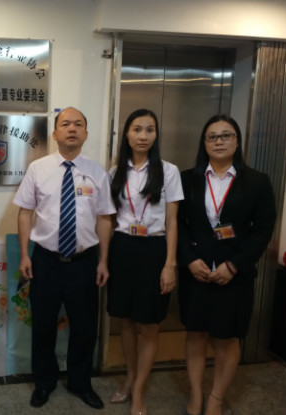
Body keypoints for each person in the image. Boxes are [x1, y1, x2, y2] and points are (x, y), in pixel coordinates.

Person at [14, 107, 115, 410]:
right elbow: (25, 212)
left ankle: (81, 384)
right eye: (66, 124)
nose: (72, 129)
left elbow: (105, 217)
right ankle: (44, 383)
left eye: (78, 124)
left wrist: (103, 260)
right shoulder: (38, 168)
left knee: (84, 328)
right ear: (55, 133)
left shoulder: (97, 171)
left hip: (84, 263)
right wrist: (24, 255)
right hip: (45, 261)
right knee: (43, 325)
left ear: (86, 133)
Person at [177, 114, 276, 415]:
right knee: (195, 334)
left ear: (237, 141)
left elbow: (263, 230)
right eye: (212, 136)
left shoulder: (257, 181)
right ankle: (196, 395)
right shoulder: (187, 179)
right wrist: (189, 260)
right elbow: (176, 225)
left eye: (226, 135)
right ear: (204, 143)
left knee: (227, 338)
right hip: (196, 272)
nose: (219, 141)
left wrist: (234, 265)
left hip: (234, 274)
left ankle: (216, 398)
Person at [107, 109, 183, 415]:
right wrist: (104, 259)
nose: (143, 135)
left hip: (154, 250)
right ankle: (129, 377)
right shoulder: (115, 172)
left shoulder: (169, 171)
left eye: (150, 130)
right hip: (122, 248)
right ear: (126, 134)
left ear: (156, 135)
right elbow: (109, 218)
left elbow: (173, 222)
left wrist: (170, 264)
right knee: (126, 321)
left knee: (149, 324)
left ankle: (139, 389)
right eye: (137, 129)